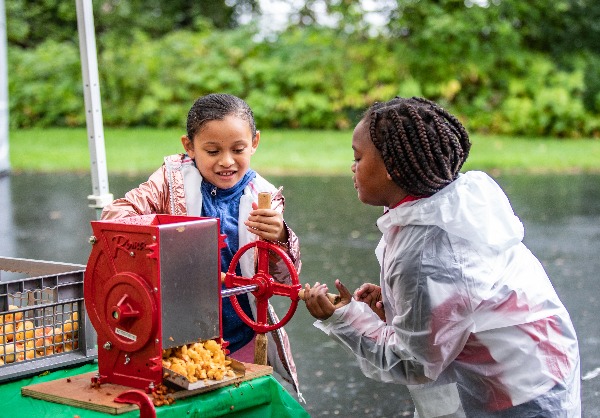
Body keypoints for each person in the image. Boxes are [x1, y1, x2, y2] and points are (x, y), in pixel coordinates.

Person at [303, 97, 581, 417]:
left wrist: (343, 318)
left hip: (522, 392)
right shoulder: (446, 207)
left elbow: (417, 361)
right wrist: (401, 305)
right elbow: (468, 295)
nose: (352, 166)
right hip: (535, 364)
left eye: (358, 157)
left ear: (392, 167)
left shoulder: (422, 252)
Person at [102, 93, 302, 397]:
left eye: (238, 149)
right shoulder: (170, 181)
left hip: (242, 332)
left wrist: (281, 237)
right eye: (212, 150)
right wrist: (172, 235)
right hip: (175, 336)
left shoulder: (264, 196)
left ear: (255, 142)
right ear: (189, 146)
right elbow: (116, 215)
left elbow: (283, 277)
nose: (226, 161)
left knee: (240, 402)